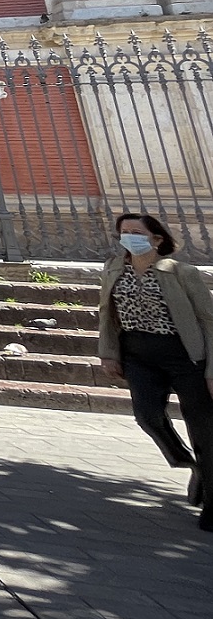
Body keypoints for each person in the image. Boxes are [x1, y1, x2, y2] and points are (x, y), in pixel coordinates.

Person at [97, 212, 213, 532]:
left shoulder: (181, 273)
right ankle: (189, 462)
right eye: (124, 232)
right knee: (147, 415)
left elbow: (209, 321)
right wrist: (108, 354)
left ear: (157, 239)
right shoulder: (113, 269)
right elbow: (106, 314)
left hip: (184, 355)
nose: (129, 237)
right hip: (138, 355)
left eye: (137, 232)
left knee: (204, 429)